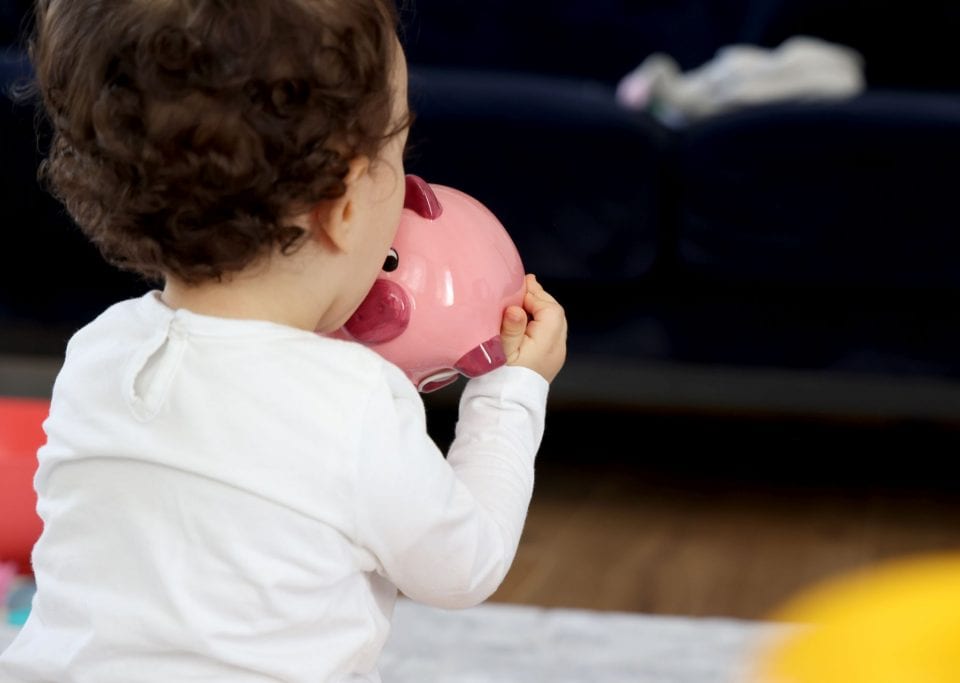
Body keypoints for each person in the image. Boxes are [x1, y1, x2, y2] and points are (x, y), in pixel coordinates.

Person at [0, 0, 567, 681]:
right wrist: (511, 389)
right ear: (347, 203)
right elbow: (464, 565)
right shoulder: (355, 402)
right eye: (399, 148)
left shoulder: (98, 353)